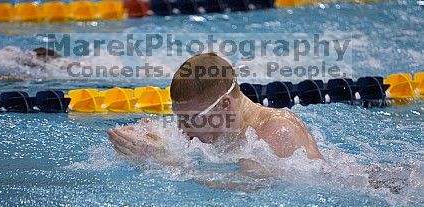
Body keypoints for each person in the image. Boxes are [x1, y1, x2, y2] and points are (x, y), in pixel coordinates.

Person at [108, 53, 323, 167]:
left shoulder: (276, 132)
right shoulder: (222, 125)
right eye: (179, 118)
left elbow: (249, 189)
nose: (183, 130)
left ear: (225, 104)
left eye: (191, 120)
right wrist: (143, 139)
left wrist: (164, 161)